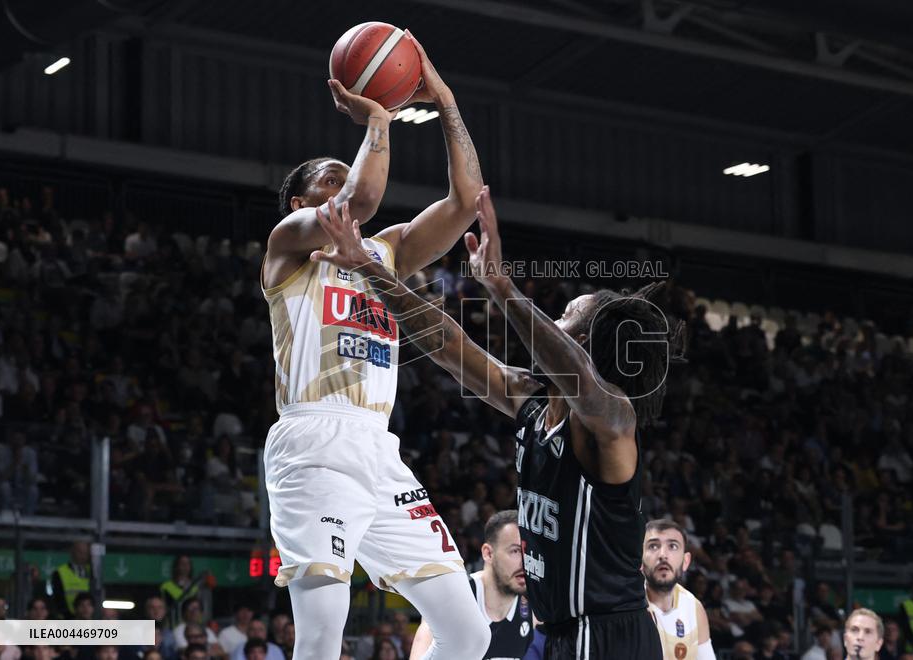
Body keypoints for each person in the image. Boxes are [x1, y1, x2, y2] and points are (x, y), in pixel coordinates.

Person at [312, 186, 678, 657]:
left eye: (565, 317)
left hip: (609, 633)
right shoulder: (531, 402)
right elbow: (447, 342)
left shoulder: (611, 420)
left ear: (585, 343)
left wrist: (503, 288)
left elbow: (583, 383)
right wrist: (369, 269)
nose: (552, 320)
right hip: (565, 634)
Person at [261, 32, 488, 660]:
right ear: (303, 204)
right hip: (314, 445)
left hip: (378, 452)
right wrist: (380, 119)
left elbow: (467, 201)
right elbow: (358, 198)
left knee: (469, 635)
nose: (346, 192)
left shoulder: (385, 252)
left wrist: (444, 101)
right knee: (322, 633)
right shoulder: (289, 249)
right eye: (330, 184)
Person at [410, 510, 537, 660]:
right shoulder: (450, 603)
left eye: (528, 552)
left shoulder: (532, 611)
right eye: (515, 551)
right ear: (488, 553)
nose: (526, 562)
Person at [641, 520, 715, 660]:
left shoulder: (694, 608)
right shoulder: (625, 606)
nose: (663, 554)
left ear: (685, 562)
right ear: (640, 559)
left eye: (673, 546)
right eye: (653, 546)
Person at [159, 555, 204, 629]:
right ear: (176, 566)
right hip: (172, 625)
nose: (185, 566)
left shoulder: (195, 588)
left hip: (192, 626)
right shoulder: (166, 586)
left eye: (188, 563)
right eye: (182, 563)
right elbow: (163, 608)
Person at [50, 541, 90, 616]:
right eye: (80, 552)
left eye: (86, 553)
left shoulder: (92, 572)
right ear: (72, 552)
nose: (83, 556)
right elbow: (58, 600)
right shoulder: (60, 573)